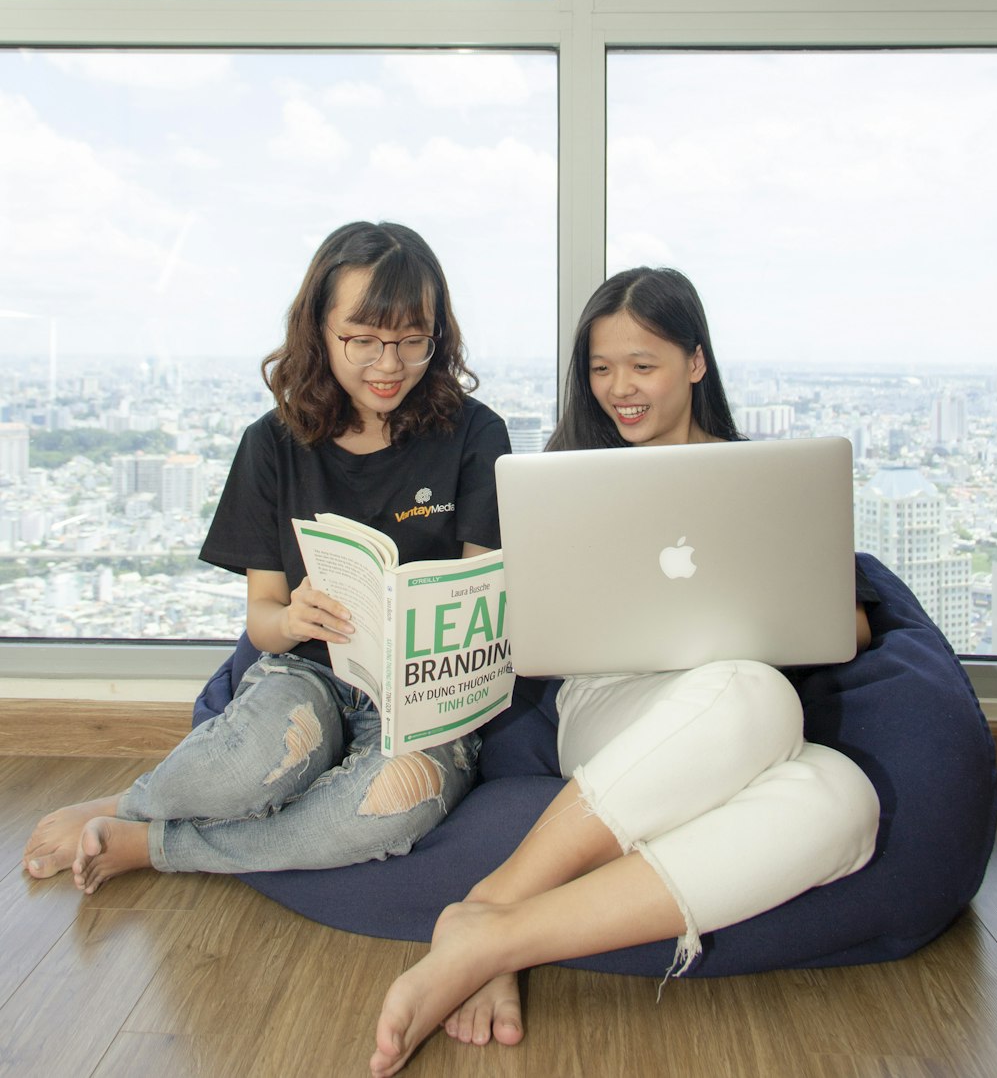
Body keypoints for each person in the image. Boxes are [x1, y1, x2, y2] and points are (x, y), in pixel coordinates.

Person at [370, 266, 881, 1077]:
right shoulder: (568, 476)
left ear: (696, 362)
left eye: (642, 365)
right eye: (602, 369)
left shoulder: (757, 481)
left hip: (730, 711)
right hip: (613, 705)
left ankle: (494, 931)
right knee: (760, 695)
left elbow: (846, 623)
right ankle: (496, 898)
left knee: (846, 803)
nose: (620, 389)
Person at [24, 220, 510, 894]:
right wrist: (294, 619)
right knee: (237, 771)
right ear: (320, 327)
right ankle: (134, 798)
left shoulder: (474, 434)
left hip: (422, 697)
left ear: (438, 334)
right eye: (362, 339)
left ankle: (155, 838)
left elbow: (486, 594)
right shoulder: (273, 443)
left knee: (387, 813)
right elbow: (262, 621)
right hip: (304, 673)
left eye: (411, 340)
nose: (389, 363)